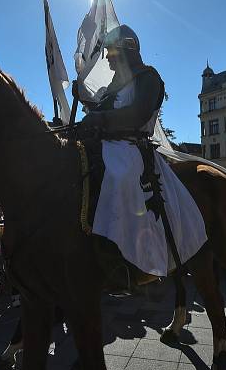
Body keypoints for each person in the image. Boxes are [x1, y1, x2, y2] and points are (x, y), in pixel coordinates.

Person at [76, 24, 207, 287]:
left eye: (112, 52)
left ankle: (122, 257)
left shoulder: (149, 78)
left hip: (129, 147)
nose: (109, 59)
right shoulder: (115, 83)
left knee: (119, 176)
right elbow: (103, 109)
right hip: (105, 144)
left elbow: (137, 114)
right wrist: (87, 107)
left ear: (127, 49)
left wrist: (100, 117)